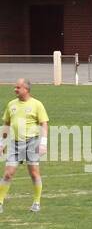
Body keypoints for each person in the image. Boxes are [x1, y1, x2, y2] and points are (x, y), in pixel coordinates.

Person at [0, 78, 48, 213]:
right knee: (8, 174)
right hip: (15, 144)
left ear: (26, 89)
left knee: (34, 173)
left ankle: (37, 203)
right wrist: (1, 143)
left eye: (18, 87)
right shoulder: (11, 105)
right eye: (15, 87)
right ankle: (0, 202)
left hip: (32, 143)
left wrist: (43, 143)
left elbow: (44, 123)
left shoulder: (37, 105)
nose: (15, 89)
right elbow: (6, 125)